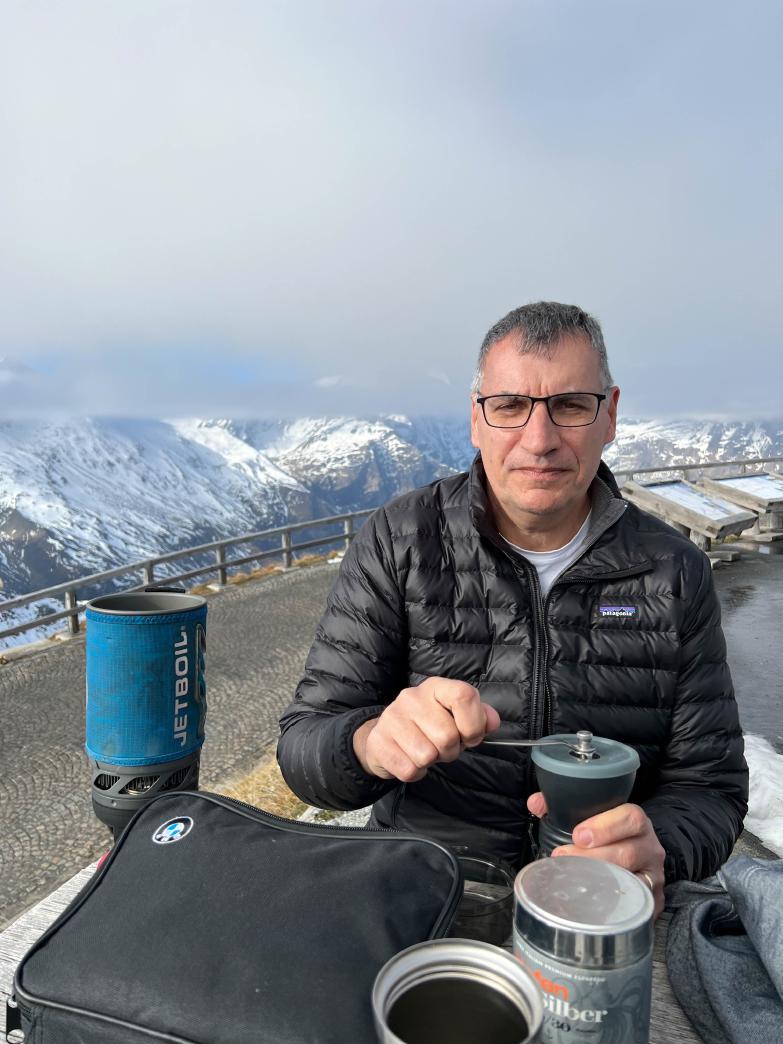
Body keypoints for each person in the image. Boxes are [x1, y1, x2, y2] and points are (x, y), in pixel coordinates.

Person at [277, 301, 748, 917]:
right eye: (509, 407)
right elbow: (304, 749)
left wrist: (659, 847)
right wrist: (368, 742)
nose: (540, 440)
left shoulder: (673, 570)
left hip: (599, 902)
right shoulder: (402, 540)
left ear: (610, 415)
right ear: (476, 420)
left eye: (571, 406)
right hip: (427, 890)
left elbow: (710, 788)